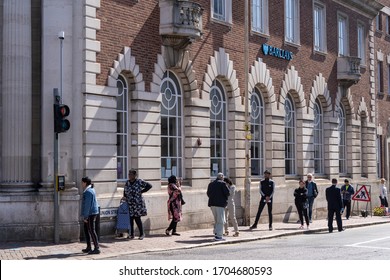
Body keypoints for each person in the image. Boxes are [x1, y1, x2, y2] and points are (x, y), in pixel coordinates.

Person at [123, 168, 152, 240]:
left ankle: (142, 234)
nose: (129, 175)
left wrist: (142, 191)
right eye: (129, 174)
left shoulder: (139, 181)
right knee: (130, 219)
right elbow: (125, 191)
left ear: (135, 175)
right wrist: (124, 197)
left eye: (131, 174)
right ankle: (132, 234)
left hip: (137, 203)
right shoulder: (127, 182)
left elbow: (149, 186)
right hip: (130, 203)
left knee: (137, 218)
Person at [207, 172, 230, 241]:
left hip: (212, 204)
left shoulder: (211, 184)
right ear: (222, 177)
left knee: (216, 219)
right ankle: (219, 236)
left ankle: (216, 233)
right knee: (221, 220)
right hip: (220, 204)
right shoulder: (223, 184)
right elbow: (228, 193)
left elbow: (208, 193)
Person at [81, 176, 100, 254]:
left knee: (91, 230)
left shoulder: (88, 191)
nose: (81, 184)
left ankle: (96, 248)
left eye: (82, 182)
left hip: (90, 213)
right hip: (92, 212)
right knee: (86, 230)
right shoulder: (90, 189)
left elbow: (87, 205)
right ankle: (89, 247)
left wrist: (85, 216)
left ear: (85, 183)